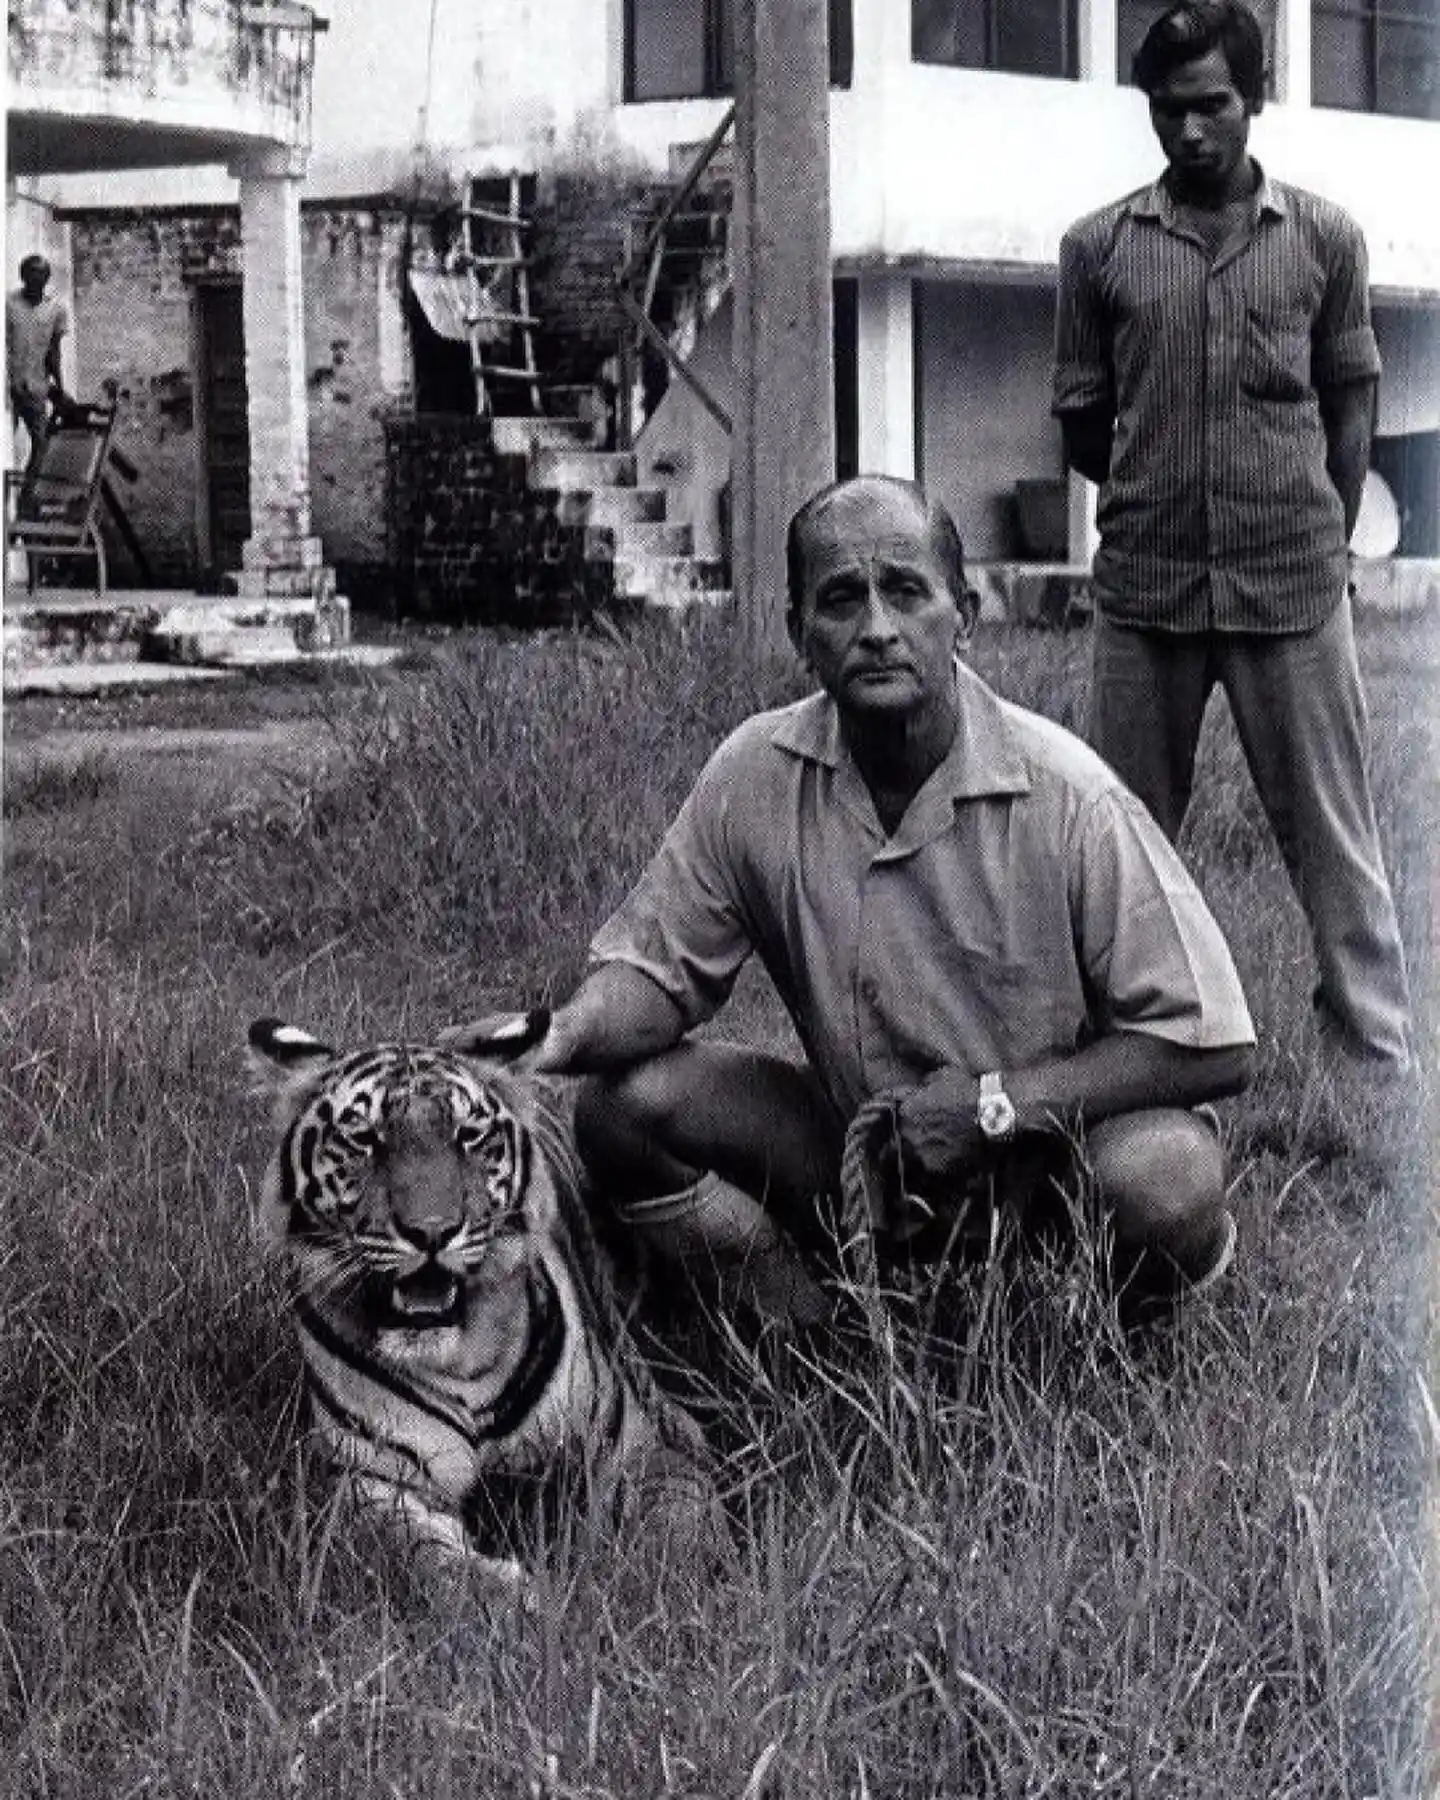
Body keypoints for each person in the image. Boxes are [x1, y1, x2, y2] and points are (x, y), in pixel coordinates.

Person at [528, 474, 1257, 1325]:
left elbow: (1214, 1047)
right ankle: (806, 1328)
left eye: (906, 591)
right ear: (800, 633)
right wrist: (553, 1037)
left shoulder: (1069, 796)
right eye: (841, 599)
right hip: (862, 1157)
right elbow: (656, 976)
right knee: (623, 1107)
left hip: (1050, 1157)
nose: (877, 628)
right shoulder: (754, 774)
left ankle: (1082, 1336)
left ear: (965, 615)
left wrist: (996, 1108)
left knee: (1164, 1179)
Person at [1052, 0, 1411, 1072]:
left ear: (1253, 100)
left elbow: (1350, 404)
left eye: (1211, 105)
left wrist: (1316, 534)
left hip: (1292, 587)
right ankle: (1120, 1053)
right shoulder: (1098, 249)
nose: (1190, 131)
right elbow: (1082, 418)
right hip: (1146, 589)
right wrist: (1163, 491)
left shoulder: (1326, 239)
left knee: (1334, 838)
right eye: (1167, 111)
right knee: (1113, 840)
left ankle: (1375, 1056)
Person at [7, 254, 68, 487]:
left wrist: (60, 389)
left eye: (41, 275)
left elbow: (54, 353)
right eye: (31, 275)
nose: (36, 280)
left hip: (35, 389)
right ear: (23, 276)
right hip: (8, 389)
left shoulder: (56, 310)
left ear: (47, 278)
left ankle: (26, 497)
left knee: (42, 444)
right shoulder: (8, 305)